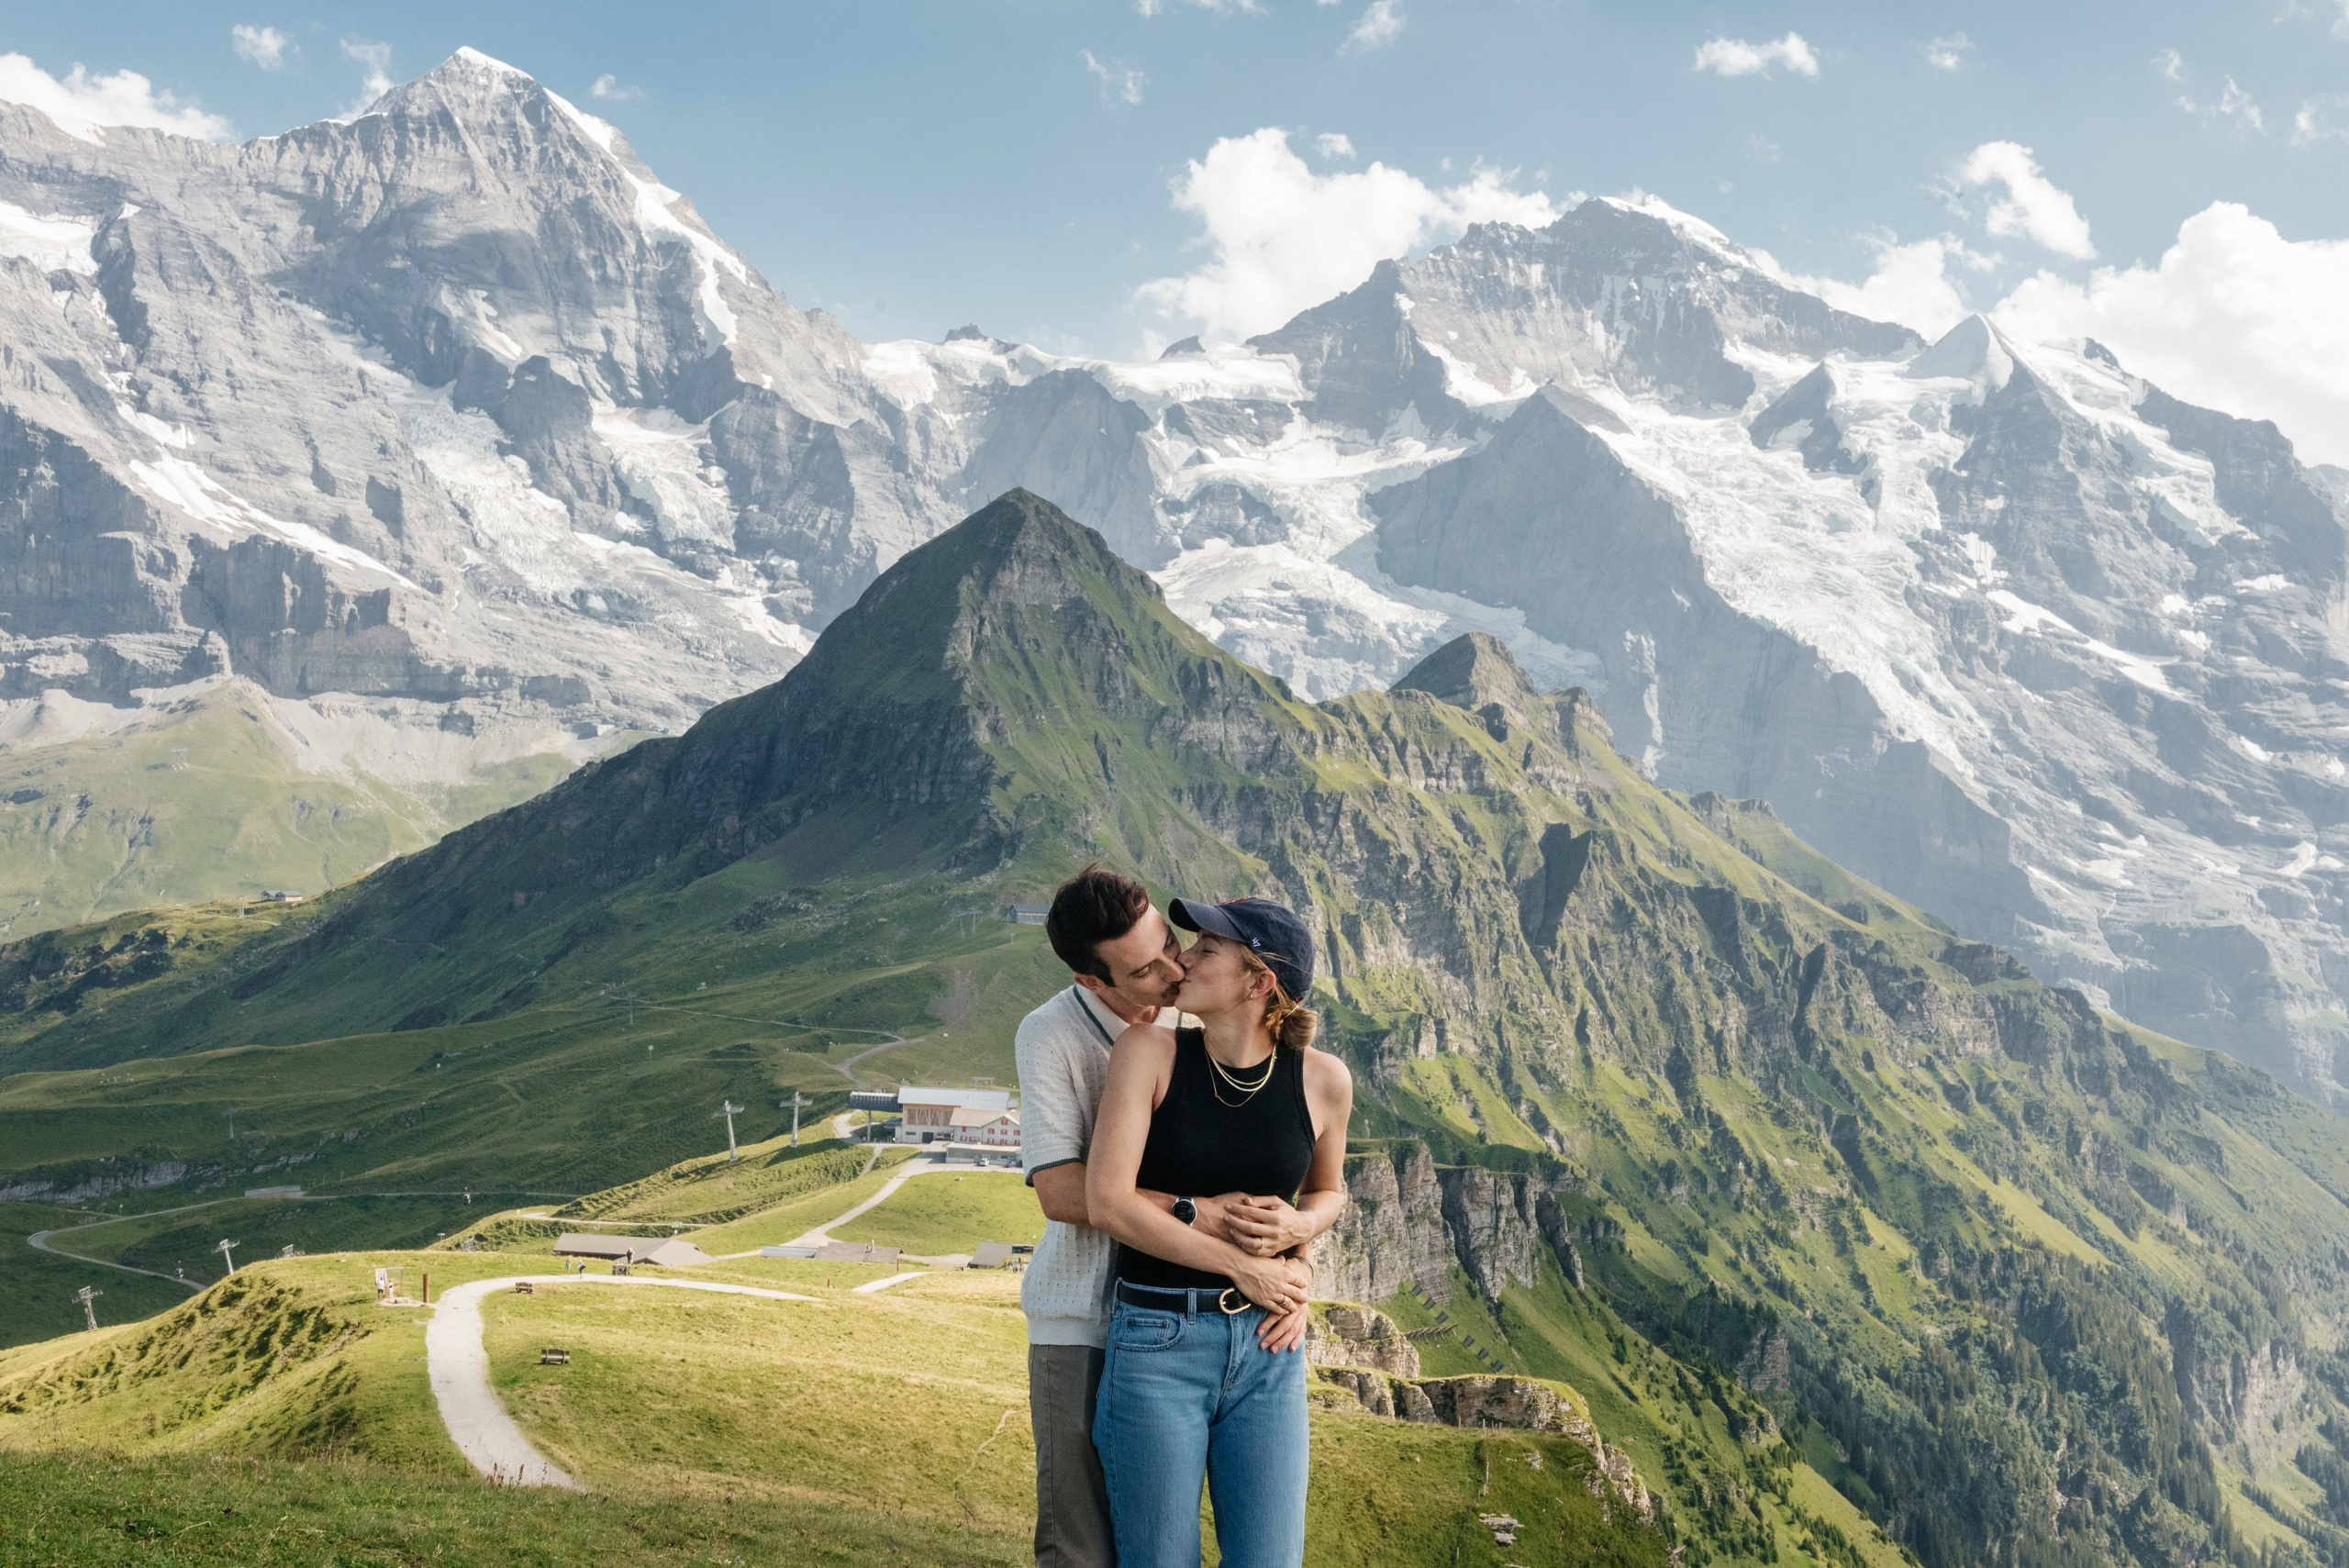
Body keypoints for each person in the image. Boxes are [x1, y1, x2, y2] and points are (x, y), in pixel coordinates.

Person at [1017, 869, 1315, 1568]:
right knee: (1083, 1547)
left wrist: (1296, 1265)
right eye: (1144, 968)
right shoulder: (1050, 1034)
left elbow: (1272, 1166)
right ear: (1095, 981)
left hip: (1183, 1312)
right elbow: (1065, 1192)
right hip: (1083, 1318)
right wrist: (1197, 1214)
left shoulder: (1195, 1015)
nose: (1173, 965)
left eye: (1171, 946)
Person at [1085, 895, 1354, 1568]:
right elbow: (1108, 1202)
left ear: (1258, 981)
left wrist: (1303, 1227)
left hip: (1270, 1350)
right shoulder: (1147, 1051)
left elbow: (1328, 1189)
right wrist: (1243, 1266)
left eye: (1206, 949)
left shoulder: (1324, 1080)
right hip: (1156, 1342)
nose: (1183, 957)